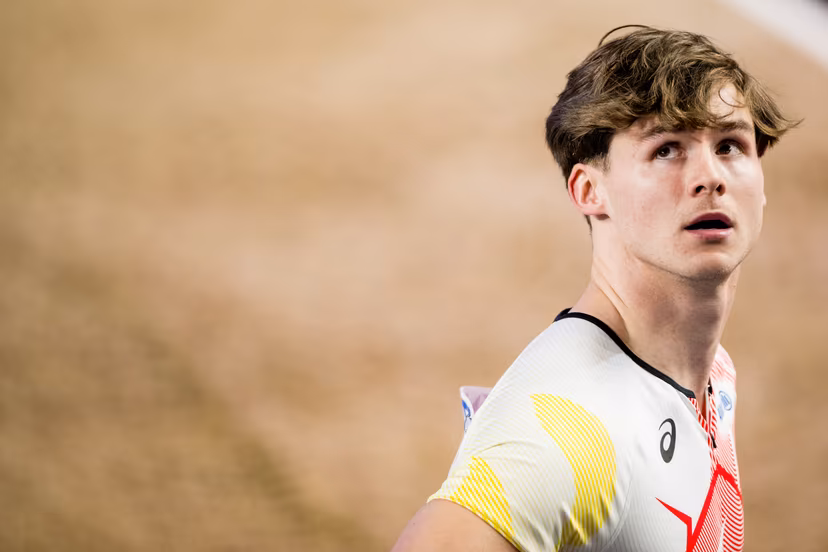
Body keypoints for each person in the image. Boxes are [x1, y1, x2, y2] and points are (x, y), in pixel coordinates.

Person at [391, 26, 796, 552]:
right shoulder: (570, 431)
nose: (710, 176)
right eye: (667, 150)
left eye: (730, 145)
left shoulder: (711, 371)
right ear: (589, 190)